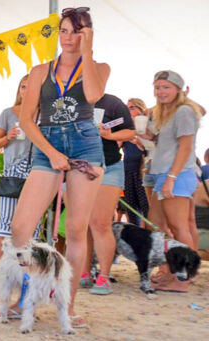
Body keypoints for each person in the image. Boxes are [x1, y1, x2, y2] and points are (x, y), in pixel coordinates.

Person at [9, 7, 111, 328]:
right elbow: (26, 119)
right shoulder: (40, 71)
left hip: (85, 144)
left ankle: (68, 305)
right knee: (20, 227)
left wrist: (87, 51)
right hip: (47, 144)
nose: (68, 38)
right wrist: (51, 152)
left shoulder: (99, 67)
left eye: (77, 32)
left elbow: (93, 94)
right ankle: (25, 297)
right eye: (64, 31)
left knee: (77, 229)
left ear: (87, 34)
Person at [145, 70, 203, 292]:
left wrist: (171, 178)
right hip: (161, 173)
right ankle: (169, 270)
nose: (161, 92)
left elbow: (186, 147)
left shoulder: (184, 111)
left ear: (179, 89)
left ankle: (185, 277)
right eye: (158, 87)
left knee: (180, 228)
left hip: (176, 175)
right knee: (156, 225)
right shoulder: (164, 113)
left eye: (166, 87)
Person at [83, 93, 135, 295]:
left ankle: (104, 276)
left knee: (100, 222)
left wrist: (109, 136)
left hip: (109, 165)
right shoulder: (72, 101)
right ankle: (84, 272)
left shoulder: (113, 103)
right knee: (82, 223)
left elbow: (130, 132)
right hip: (79, 167)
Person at [0, 75, 39, 256]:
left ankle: (28, 267)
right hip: (13, 169)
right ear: (19, 90)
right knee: (6, 219)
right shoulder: (8, 113)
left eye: (31, 87)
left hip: (37, 169)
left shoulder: (43, 113)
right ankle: (3, 267)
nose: (26, 91)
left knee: (33, 221)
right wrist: (8, 137)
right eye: (23, 87)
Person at [122, 98, 149, 226]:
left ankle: (148, 236)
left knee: (146, 207)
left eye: (132, 108)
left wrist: (138, 139)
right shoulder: (126, 127)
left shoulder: (147, 125)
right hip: (127, 170)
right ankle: (135, 236)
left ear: (140, 108)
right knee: (130, 207)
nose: (129, 111)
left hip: (142, 170)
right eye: (127, 108)